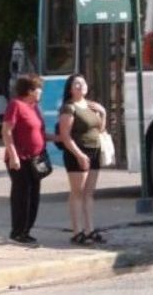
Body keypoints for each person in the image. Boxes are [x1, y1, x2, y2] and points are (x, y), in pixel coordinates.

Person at [59, 74, 107, 245]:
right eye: (76, 84)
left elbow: (100, 129)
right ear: (70, 89)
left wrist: (103, 112)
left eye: (83, 83)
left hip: (94, 151)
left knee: (89, 193)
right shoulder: (69, 108)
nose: (81, 86)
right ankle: (77, 232)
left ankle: (90, 230)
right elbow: (65, 136)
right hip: (77, 153)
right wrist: (79, 155)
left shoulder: (90, 106)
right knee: (77, 193)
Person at [1, 74, 48, 245]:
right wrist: (13, 155)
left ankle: (27, 230)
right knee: (22, 195)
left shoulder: (34, 107)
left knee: (34, 195)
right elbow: (6, 132)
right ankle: (17, 231)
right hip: (20, 158)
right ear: (30, 90)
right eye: (38, 89)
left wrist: (59, 138)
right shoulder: (16, 105)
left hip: (37, 158)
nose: (40, 92)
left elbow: (38, 132)